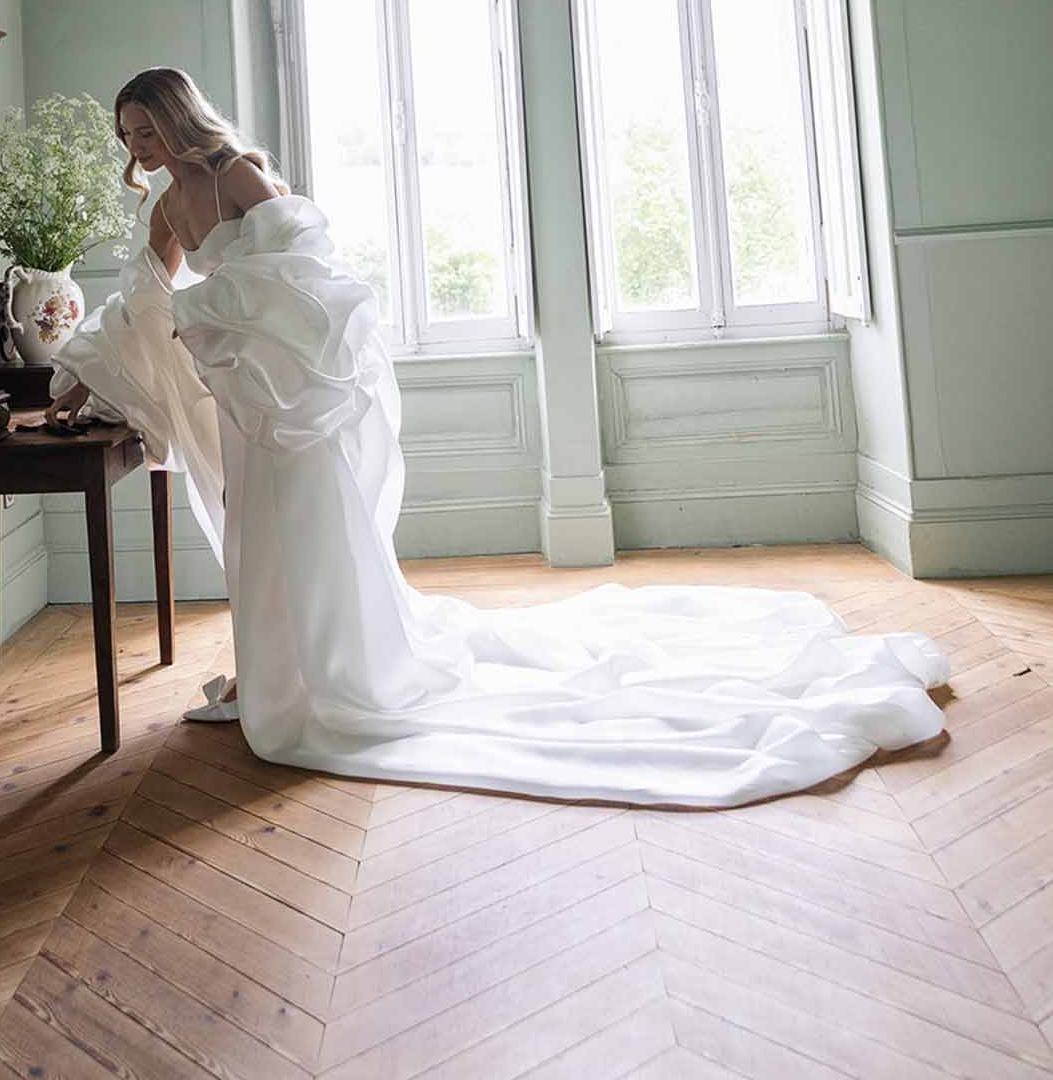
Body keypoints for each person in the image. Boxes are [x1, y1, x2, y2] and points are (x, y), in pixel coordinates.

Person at [47, 66, 949, 807]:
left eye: (145, 130)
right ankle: (274, 676)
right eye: (127, 138)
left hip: (297, 392)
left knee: (308, 526)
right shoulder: (165, 210)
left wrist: (237, 319)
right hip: (240, 394)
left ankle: (342, 670)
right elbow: (146, 302)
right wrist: (91, 372)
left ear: (176, 117)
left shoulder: (238, 172)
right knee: (249, 532)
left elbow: (311, 279)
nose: (139, 148)